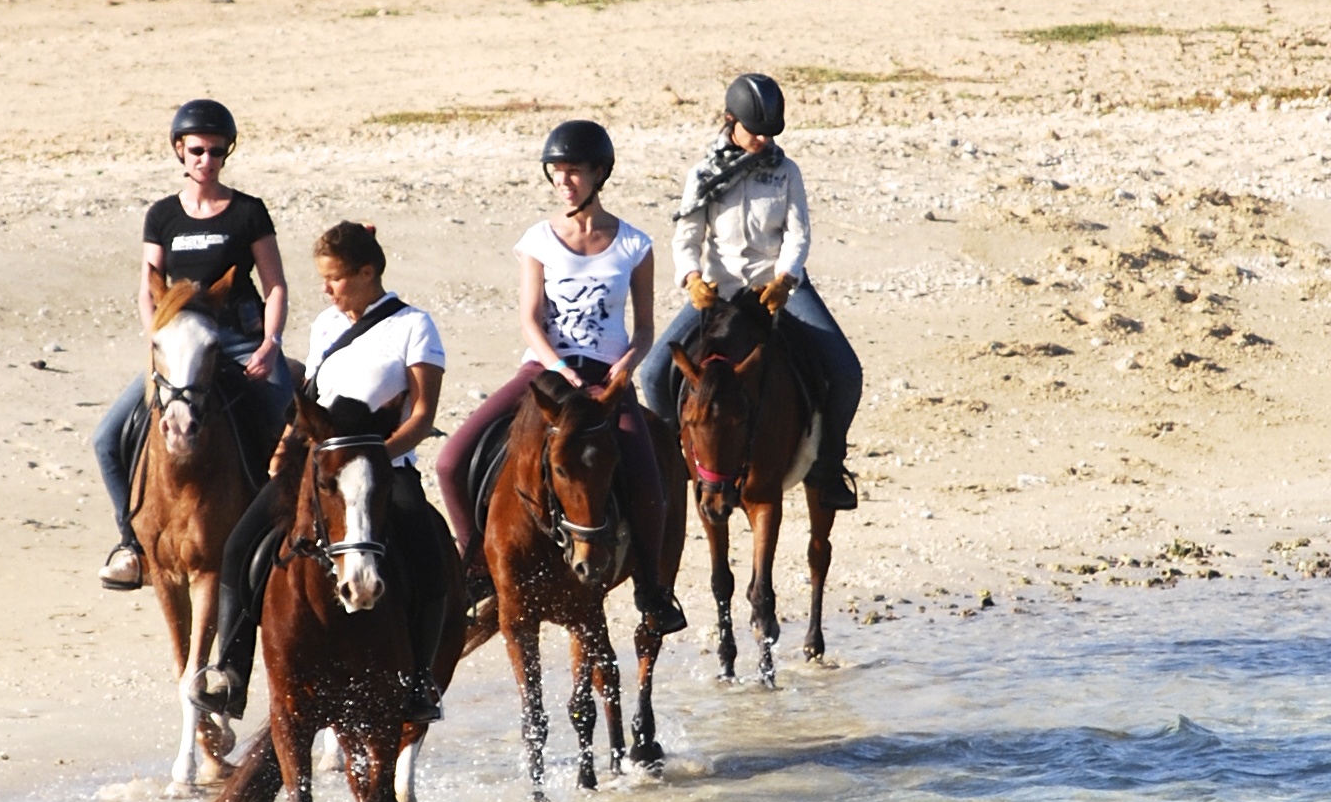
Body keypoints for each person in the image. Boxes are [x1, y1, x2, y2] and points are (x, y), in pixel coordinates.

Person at [201, 222, 460, 720]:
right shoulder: (326, 325)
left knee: (429, 556)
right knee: (240, 545)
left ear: (367, 272)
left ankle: (419, 682)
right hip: (318, 472)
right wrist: (283, 449)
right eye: (323, 278)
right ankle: (231, 673)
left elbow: (423, 414)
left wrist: (375, 461)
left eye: (336, 278)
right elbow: (311, 402)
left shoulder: (414, 326)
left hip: (385, 468)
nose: (327, 288)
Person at [435, 120, 686, 635]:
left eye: (573, 171)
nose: (563, 180)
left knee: (652, 480)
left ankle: (652, 591)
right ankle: (478, 567)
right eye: (556, 172)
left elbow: (643, 327)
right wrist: (558, 368)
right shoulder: (538, 241)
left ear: (600, 173)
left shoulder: (634, 244)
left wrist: (627, 366)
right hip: (547, 372)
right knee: (450, 459)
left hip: (608, 380)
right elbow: (530, 319)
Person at [636, 72, 862, 509]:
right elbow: (687, 236)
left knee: (847, 371)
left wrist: (786, 277)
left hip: (776, 287)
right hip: (718, 291)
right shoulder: (702, 174)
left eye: (769, 133)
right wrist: (691, 278)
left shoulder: (786, 172)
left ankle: (828, 467)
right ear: (729, 121)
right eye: (754, 130)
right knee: (652, 374)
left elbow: (798, 233)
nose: (762, 139)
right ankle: (671, 465)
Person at [92, 99, 291, 592]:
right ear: (180, 151)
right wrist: (157, 338)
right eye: (198, 150)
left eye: (217, 151)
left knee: (289, 420)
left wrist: (270, 343)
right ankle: (132, 544)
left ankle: (288, 534)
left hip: (238, 337)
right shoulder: (163, 216)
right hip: (180, 344)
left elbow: (276, 286)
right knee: (106, 439)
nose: (207, 160)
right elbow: (148, 287)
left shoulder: (248, 212)